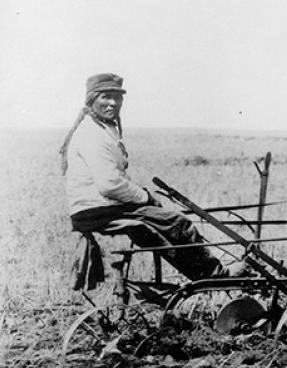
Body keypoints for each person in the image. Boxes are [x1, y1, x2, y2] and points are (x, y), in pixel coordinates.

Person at [60, 73, 246, 280]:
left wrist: (144, 198)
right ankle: (214, 275)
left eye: (117, 97)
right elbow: (110, 184)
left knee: (168, 223)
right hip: (97, 209)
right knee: (177, 222)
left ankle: (205, 273)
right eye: (105, 96)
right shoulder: (92, 134)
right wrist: (145, 198)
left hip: (97, 207)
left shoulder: (101, 128)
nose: (113, 103)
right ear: (92, 100)